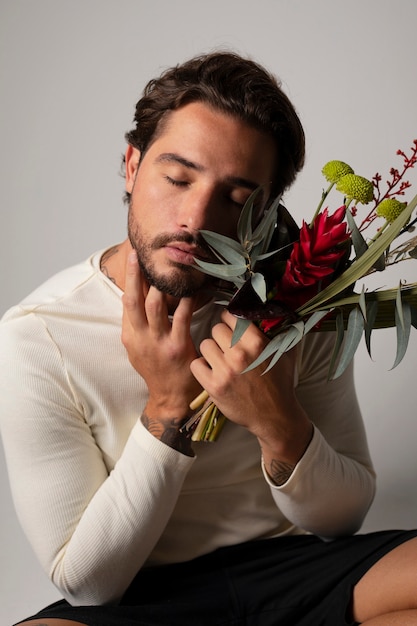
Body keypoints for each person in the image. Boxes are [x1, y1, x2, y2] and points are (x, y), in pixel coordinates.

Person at [0, 51, 416, 626]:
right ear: (131, 166)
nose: (195, 217)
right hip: (146, 600)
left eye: (238, 199)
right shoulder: (38, 335)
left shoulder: (300, 301)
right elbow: (88, 586)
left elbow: (342, 519)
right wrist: (167, 408)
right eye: (177, 178)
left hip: (295, 570)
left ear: (267, 212)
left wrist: (278, 422)